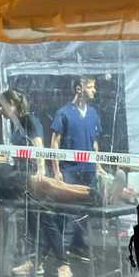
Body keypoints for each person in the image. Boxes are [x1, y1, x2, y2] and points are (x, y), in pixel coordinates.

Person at [0, 89, 74, 277]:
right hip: (23, 181)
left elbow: (38, 146)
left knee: (46, 222)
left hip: (34, 180)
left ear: (12, 104)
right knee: (32, 223)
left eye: (1, 104)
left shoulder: (29, 121)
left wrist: (40, 170)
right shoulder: (15, 126)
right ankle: (35, 262)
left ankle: (64, 266)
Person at [50, 76, 105, 257]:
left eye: (93, 87)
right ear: (79, 89)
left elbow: (95, 143)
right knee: (63, 209)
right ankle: (54, 247)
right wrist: (57, 170)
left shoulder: (94, 114)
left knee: (85, 210)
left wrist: (98, 166)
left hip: (88, 170)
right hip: (69, 170)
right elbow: (55, 143)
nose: (94, 90)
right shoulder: (63, 113)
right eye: (90, 87)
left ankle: (77, 244)